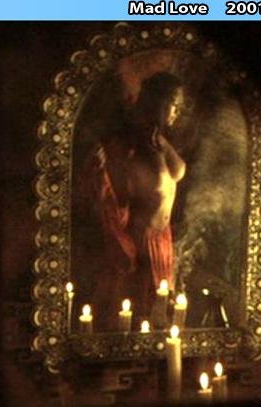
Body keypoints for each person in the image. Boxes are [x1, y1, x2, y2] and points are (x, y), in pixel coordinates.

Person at [86, 72, 187, 327]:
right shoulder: (128, 146)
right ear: (158, 102)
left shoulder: (159, 140)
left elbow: (175, 172)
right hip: (142, 244)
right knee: (143, 316)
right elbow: (113, 201)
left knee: (162, 316)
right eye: (174, 103)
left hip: (163, 241)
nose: (178, 111)